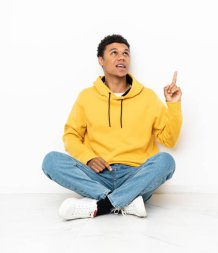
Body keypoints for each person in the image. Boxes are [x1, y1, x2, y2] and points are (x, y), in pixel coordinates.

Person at [42, 34, 183, 220]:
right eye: (114, 53)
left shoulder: (148, 97)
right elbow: (71, 135)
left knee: (166, 161)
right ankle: (126, 202)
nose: (121, 57)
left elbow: (170, 140)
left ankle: (103, 205)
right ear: (101, 60)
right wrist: (89, 158)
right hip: (98, 174)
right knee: (51, 161)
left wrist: (173, 104)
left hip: (135, 176)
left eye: (126, 53)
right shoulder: (87, 97)